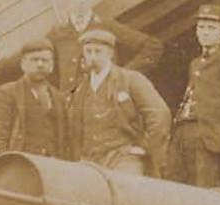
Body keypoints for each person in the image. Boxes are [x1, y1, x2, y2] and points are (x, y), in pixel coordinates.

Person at [167, 4, 220, 189]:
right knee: (177, 187)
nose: (205, 33)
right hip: (184, 131)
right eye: (201, 28)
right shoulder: (195, 63)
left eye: (211, 28)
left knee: (205, 190)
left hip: (208, 135)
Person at [66, 29, 171, 175]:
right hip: (90, 159)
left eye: (98, 51)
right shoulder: (80, 88)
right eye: (88, 51)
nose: (93, 57)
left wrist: (144, 147)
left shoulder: (130, 79)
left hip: (123, 157)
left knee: (127, 193)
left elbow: (159, 114)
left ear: (110, 54)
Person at [46, 0, 163, 92]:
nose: (80, 1)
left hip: (105, 102)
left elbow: (153, 46)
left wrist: (124, 76)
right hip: (71, 106)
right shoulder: (57, 33)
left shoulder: (107, 26)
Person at [0, 38, 65, 159]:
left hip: (51, 169)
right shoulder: (7, 93)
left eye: (45, 60)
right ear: (23, 64)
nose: (40, 64)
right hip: (20, 166)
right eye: (34, 60)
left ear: (51, 66)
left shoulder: (58, 98)